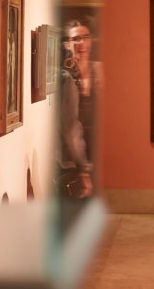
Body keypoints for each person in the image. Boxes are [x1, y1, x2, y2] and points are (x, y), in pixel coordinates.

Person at [58, 18, 103, 199]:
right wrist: (83, 170)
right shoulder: (65, 77)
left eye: (85, 37)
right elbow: (69, 128)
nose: (81, 43)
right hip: (73, 160)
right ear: (68, 44)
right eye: (76, 39)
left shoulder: (99, 70)